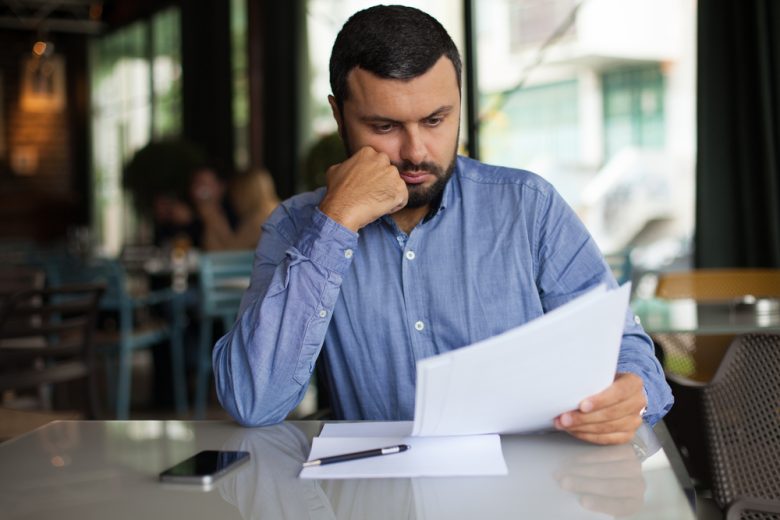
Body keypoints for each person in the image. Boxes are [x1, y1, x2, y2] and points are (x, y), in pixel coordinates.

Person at [213, 5, 673, 445]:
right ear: (338, 116)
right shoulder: (296, 226)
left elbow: (626, 351)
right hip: (379, 486)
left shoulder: (529, 207)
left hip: (527, 482)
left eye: (436, 119)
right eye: (384, 126)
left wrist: (629, 391)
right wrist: (336, 223)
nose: (416, 152)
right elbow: (254, 400)